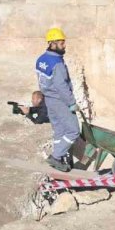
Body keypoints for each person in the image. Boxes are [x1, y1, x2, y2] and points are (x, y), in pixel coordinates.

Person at [36, 27, 79, 172]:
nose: (64, 45)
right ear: (52, 43)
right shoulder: (57, 64)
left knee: (59, 131)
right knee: (73, 131)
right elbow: (61, 86)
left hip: (49, 99)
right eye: (61, 43)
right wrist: (72, 103)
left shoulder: (41, 60)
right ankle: (56, 156)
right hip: (59, 100)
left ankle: (60, 159)